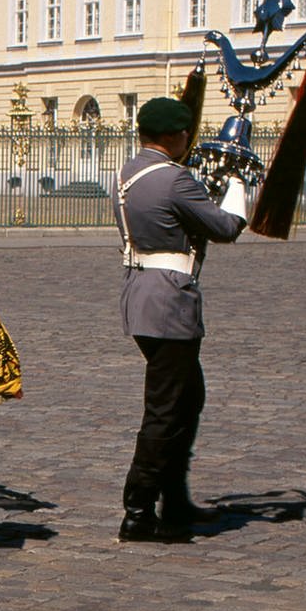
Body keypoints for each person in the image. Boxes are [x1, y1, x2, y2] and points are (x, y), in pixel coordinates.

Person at [112, 95, 249, 543]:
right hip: (169, 299)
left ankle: (175, 497)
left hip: (141, 292)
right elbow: (225, 227)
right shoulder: (173, 179)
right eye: (185, 134)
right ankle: (138, 508)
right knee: (168, 408)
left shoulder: (130, 172)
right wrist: (239, 185)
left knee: (188, 398)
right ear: (173, 136)